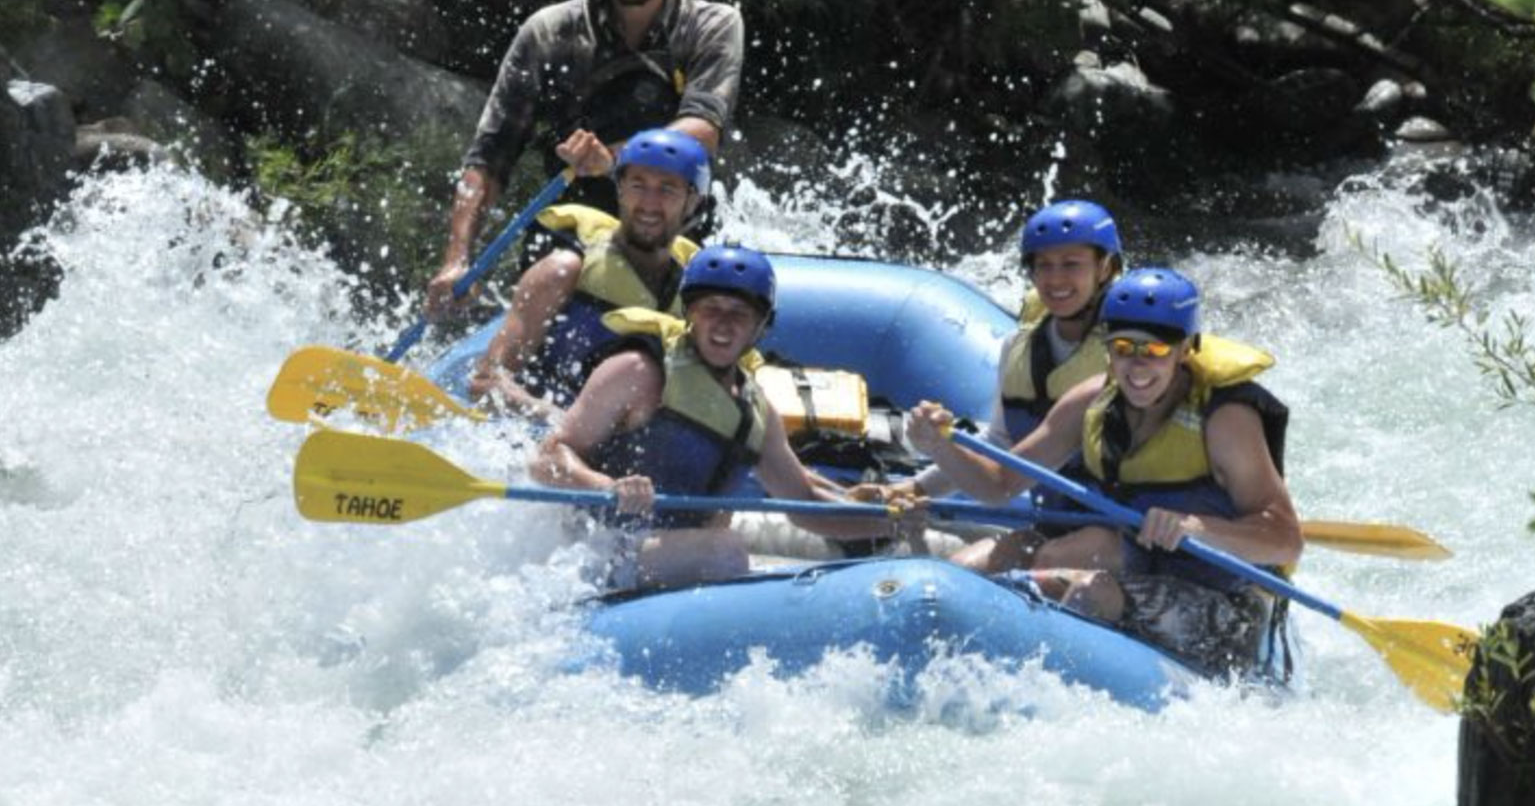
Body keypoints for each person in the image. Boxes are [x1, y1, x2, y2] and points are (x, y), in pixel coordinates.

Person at [904, 268, 1302, 678]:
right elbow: (998, 485)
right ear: (1107, 349)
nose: (1137, 365)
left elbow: (1286, 541)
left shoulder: (1224, 421)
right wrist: (940, 446)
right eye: (1124, 348)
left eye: (1156, 351)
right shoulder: (1092, 400)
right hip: (1124, 565)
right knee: (1003, 554)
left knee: (1090, 587)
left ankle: (1040, 682)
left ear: (1185, 349)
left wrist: (1197, 527)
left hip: (1223, 605)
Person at [428, 0, 744, 316]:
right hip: (572, 234)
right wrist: (456, 259)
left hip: (674, 228)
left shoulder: (711, 26)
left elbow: (702, 129)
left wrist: (615, 160)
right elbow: (489, 157)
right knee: (557, 272)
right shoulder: (549, 32)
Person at [531, 244, 894, 589]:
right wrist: (606, 487)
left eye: (738, 314)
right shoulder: (639, 371)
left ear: (760, 326)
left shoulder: (756, 413)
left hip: (671, 563)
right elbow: (547, 457)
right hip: (597, 550)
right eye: (711, 309)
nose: (723, 324)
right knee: (725, 551)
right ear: (690, 313)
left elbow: (806, 503)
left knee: (727, 552)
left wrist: (892, 520)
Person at [851, 200, 1124, 571]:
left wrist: (942, 448)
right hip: (1056, 524)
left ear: (1106, 268)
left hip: (1120, 532)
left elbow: (1002, 483)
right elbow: (999, 448)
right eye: (1043, 265)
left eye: (1071, 264)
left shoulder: (1130, 359)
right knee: (959, 573)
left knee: (1050, 563)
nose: (1055, 279)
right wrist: (915, 489)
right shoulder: (1019, 349)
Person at [466, 129, 710, 419]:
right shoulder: (564, 270)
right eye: (637, 184)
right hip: (533, 427)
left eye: (667, 189)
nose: (649, 202)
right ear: (619, 188)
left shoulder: (697, 295)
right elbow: (485, 382)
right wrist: (563, 420)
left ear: (693, 202)